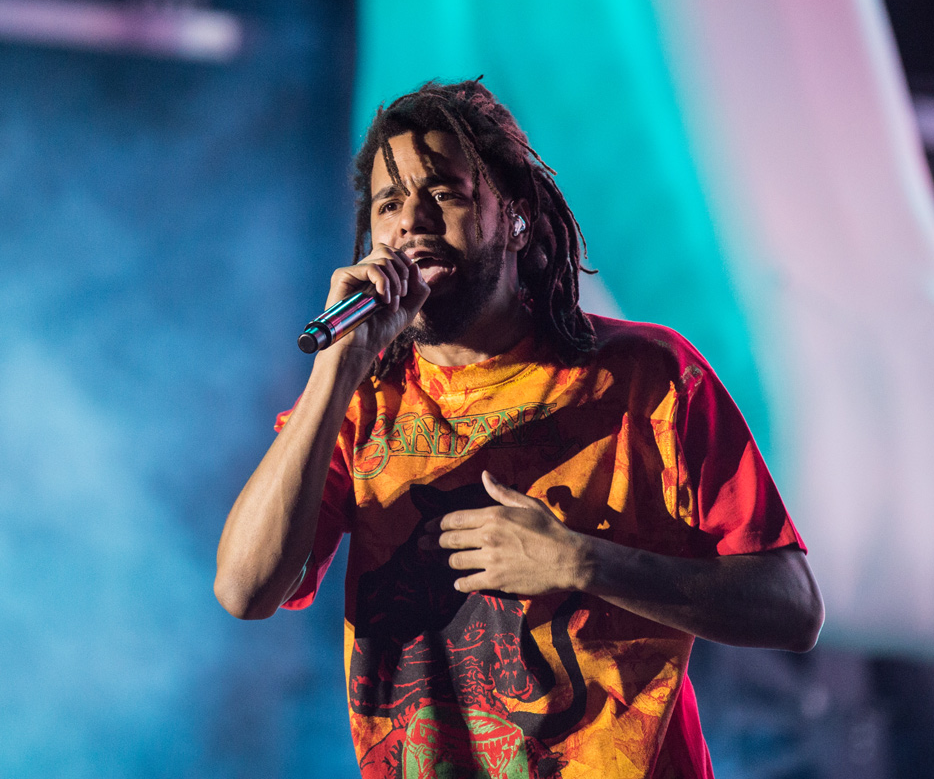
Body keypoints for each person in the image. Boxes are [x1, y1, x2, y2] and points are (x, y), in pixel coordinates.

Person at [214, 79, 824, 779]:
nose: (411, 219)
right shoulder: (359, 399)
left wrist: (581, 563)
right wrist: (335, 370)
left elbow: (793, 607)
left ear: (518, 220)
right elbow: (244, 589)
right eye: (388, 203)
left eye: (443, 192)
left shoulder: (651, 378)